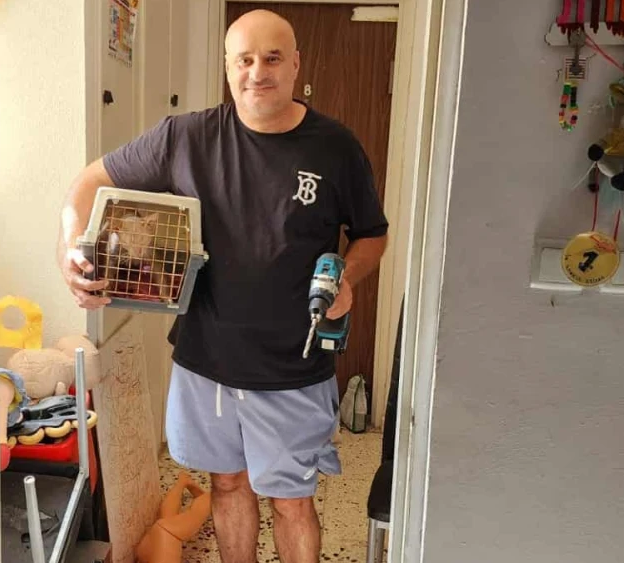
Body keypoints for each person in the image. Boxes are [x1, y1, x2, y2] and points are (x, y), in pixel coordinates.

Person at [57, 9, 388, 562]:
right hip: (205, 361)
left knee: (291, 502)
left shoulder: (336, 147)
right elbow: (86, 185)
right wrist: (72, 251)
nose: (259, 72)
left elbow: (372, 236)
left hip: (294, 364)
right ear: (228, 68)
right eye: (245, 60)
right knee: (228, 485)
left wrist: (348, 278)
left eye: (273, 58)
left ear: (296, 64)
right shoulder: (184, 138)